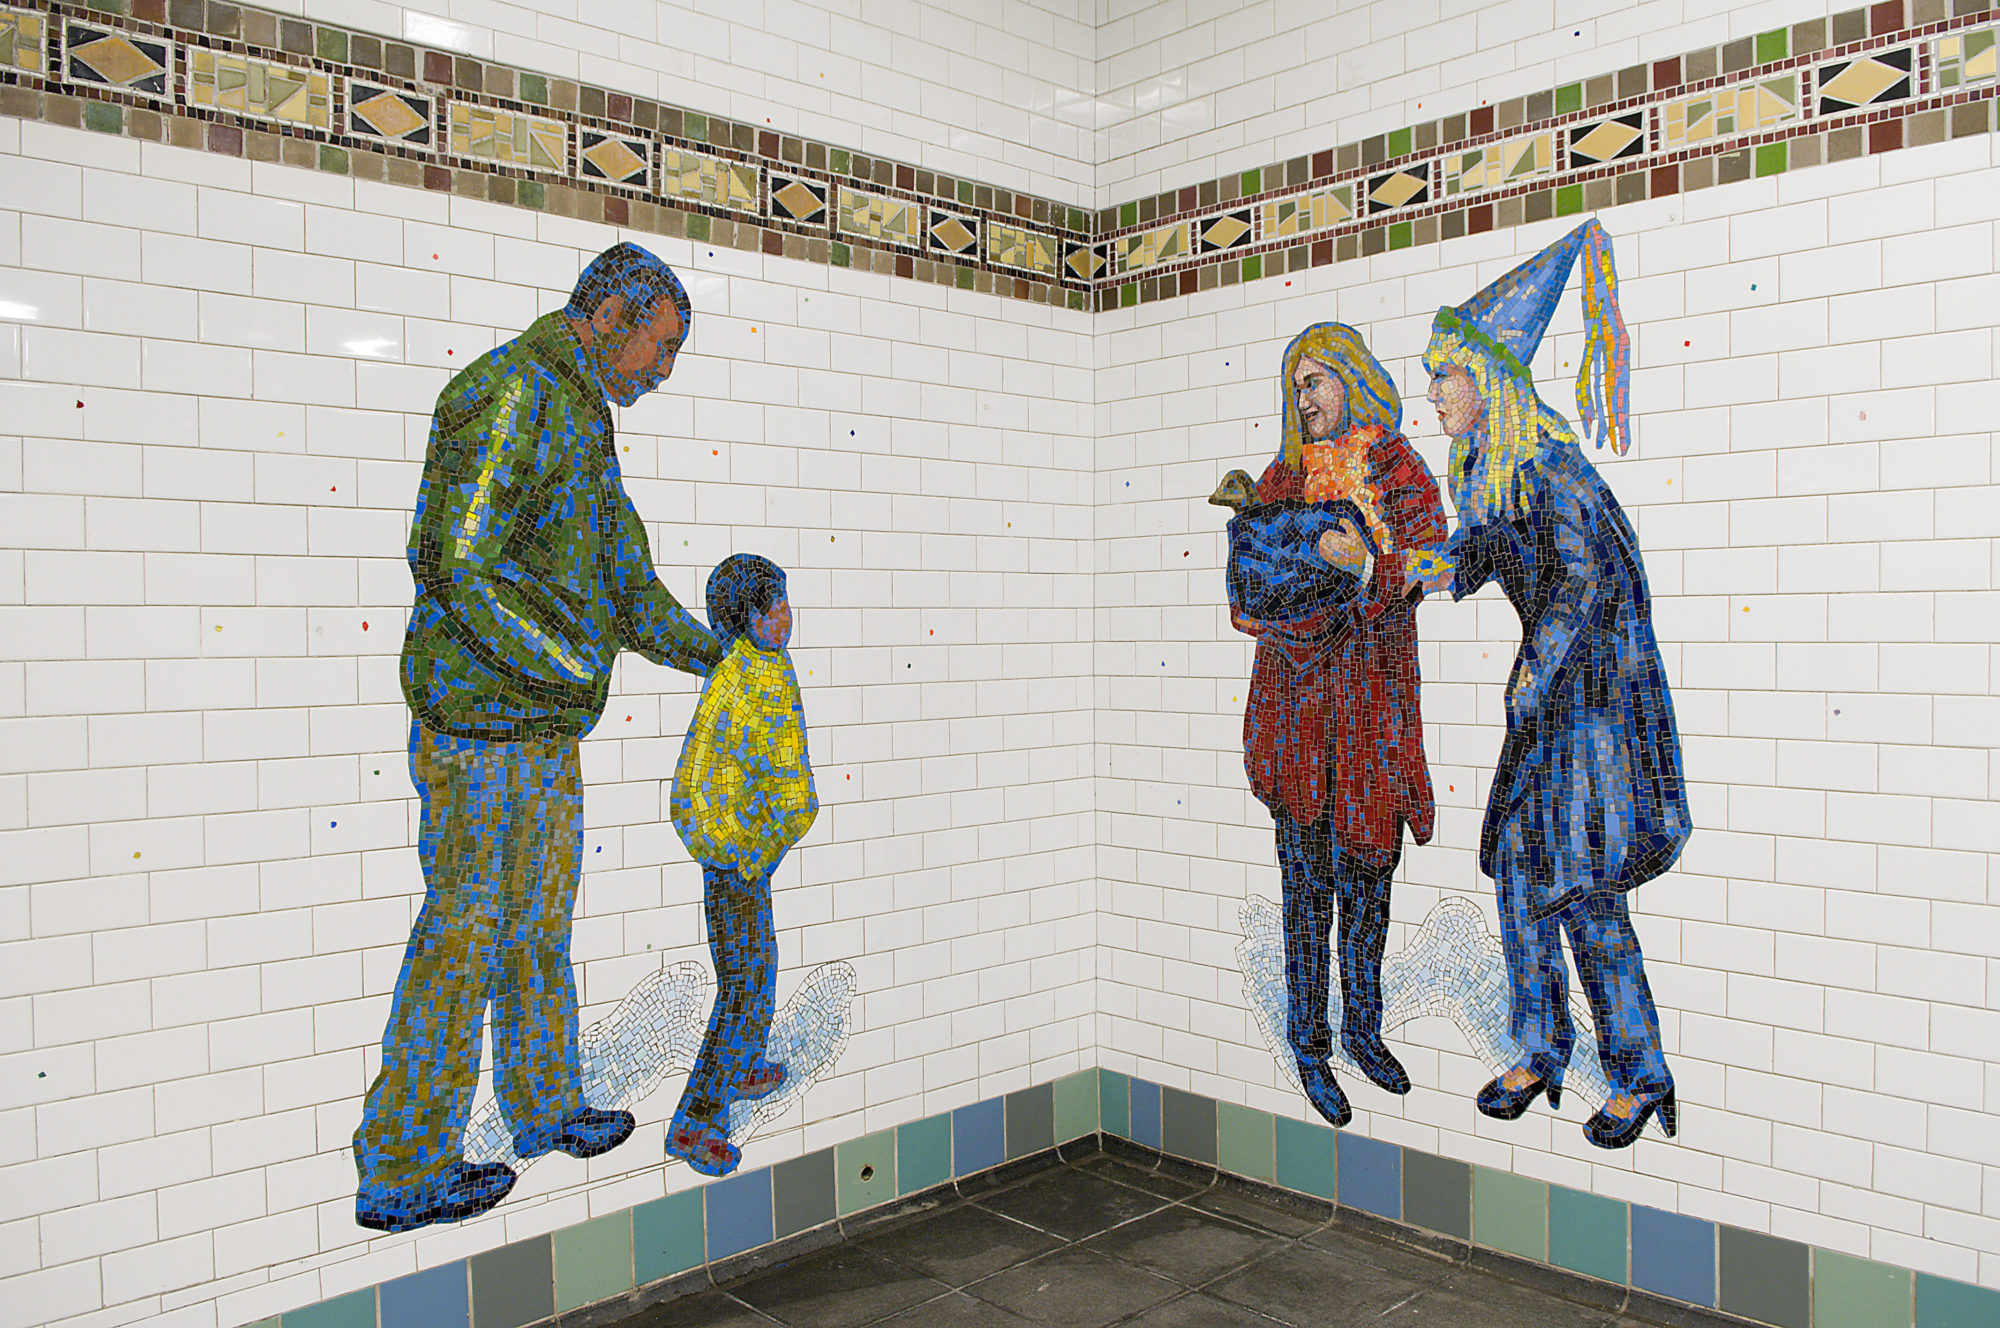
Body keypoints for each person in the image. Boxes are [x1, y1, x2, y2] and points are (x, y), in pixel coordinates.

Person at [354, 243, 725, 1232]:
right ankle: (402, 1165)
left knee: (536, 923)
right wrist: (569, 669)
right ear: (609, 317)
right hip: (480, 725)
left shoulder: (576, 407)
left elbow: (621, 577)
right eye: (661, 347)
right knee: (466, 936)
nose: (662, 369)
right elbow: (454, 563)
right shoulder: (512, 391)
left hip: (534, 728)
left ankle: (543, 1104)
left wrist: (711, 655)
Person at [1408, 218, 1692, 1150]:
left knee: (1584, 886)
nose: (1435, 390)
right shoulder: (1495, 464)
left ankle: (1640, 1073)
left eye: (1446, 372)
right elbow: (1492, 546)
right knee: (1525, 876)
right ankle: (1540, 1047)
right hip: (1553, 704)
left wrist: (1533, 671)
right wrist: (1437, 567)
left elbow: (1583, 581)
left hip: (1597, 705)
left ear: (1485, 378)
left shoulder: (1552, 466)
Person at [1230, 324, 1446, 1128]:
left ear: (1352, 381)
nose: (1305, 399)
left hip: (1374, 713)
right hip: (1300, 716)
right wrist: (1307, 563)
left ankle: (1364, 1030)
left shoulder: (1395, 464)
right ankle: (1312, 1043)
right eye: (1297, 387)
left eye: (1316, 381)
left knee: (1370, 877)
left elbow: (1432, 560)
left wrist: (1363, 563)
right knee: (1305, 887)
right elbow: (1247, 589)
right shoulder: (1282, 478)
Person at [665, 554, 818, 1177]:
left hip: (749, 853)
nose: (783, 615)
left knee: (757, 966)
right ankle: (695, 1119)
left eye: (783, 599)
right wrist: (745, 846)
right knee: (745, 983)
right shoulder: (744, 679)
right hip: (736, 861)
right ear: (743, 621)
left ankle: (745, 1060)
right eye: (767, 607)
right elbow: (698, 783)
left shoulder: (765, 670)